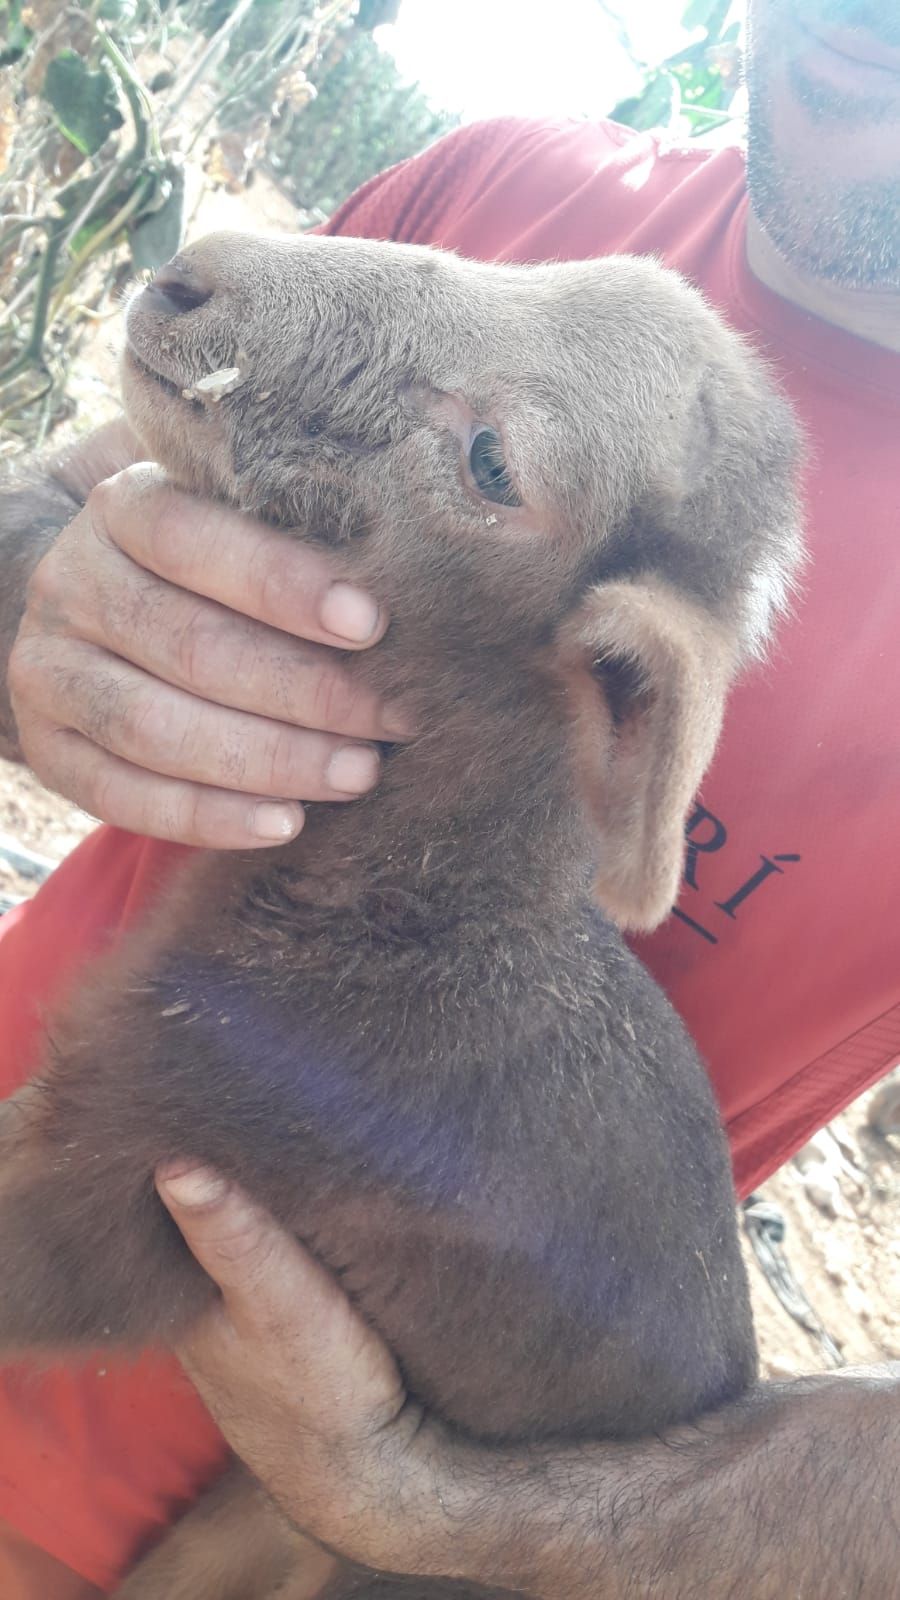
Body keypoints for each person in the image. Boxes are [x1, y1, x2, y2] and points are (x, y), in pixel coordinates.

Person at [0, 0, 898, 1593]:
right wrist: (27, 605)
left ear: (634, 709)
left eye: (492, 467)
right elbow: (76, 487)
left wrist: (438, 1518)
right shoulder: (520, 183)